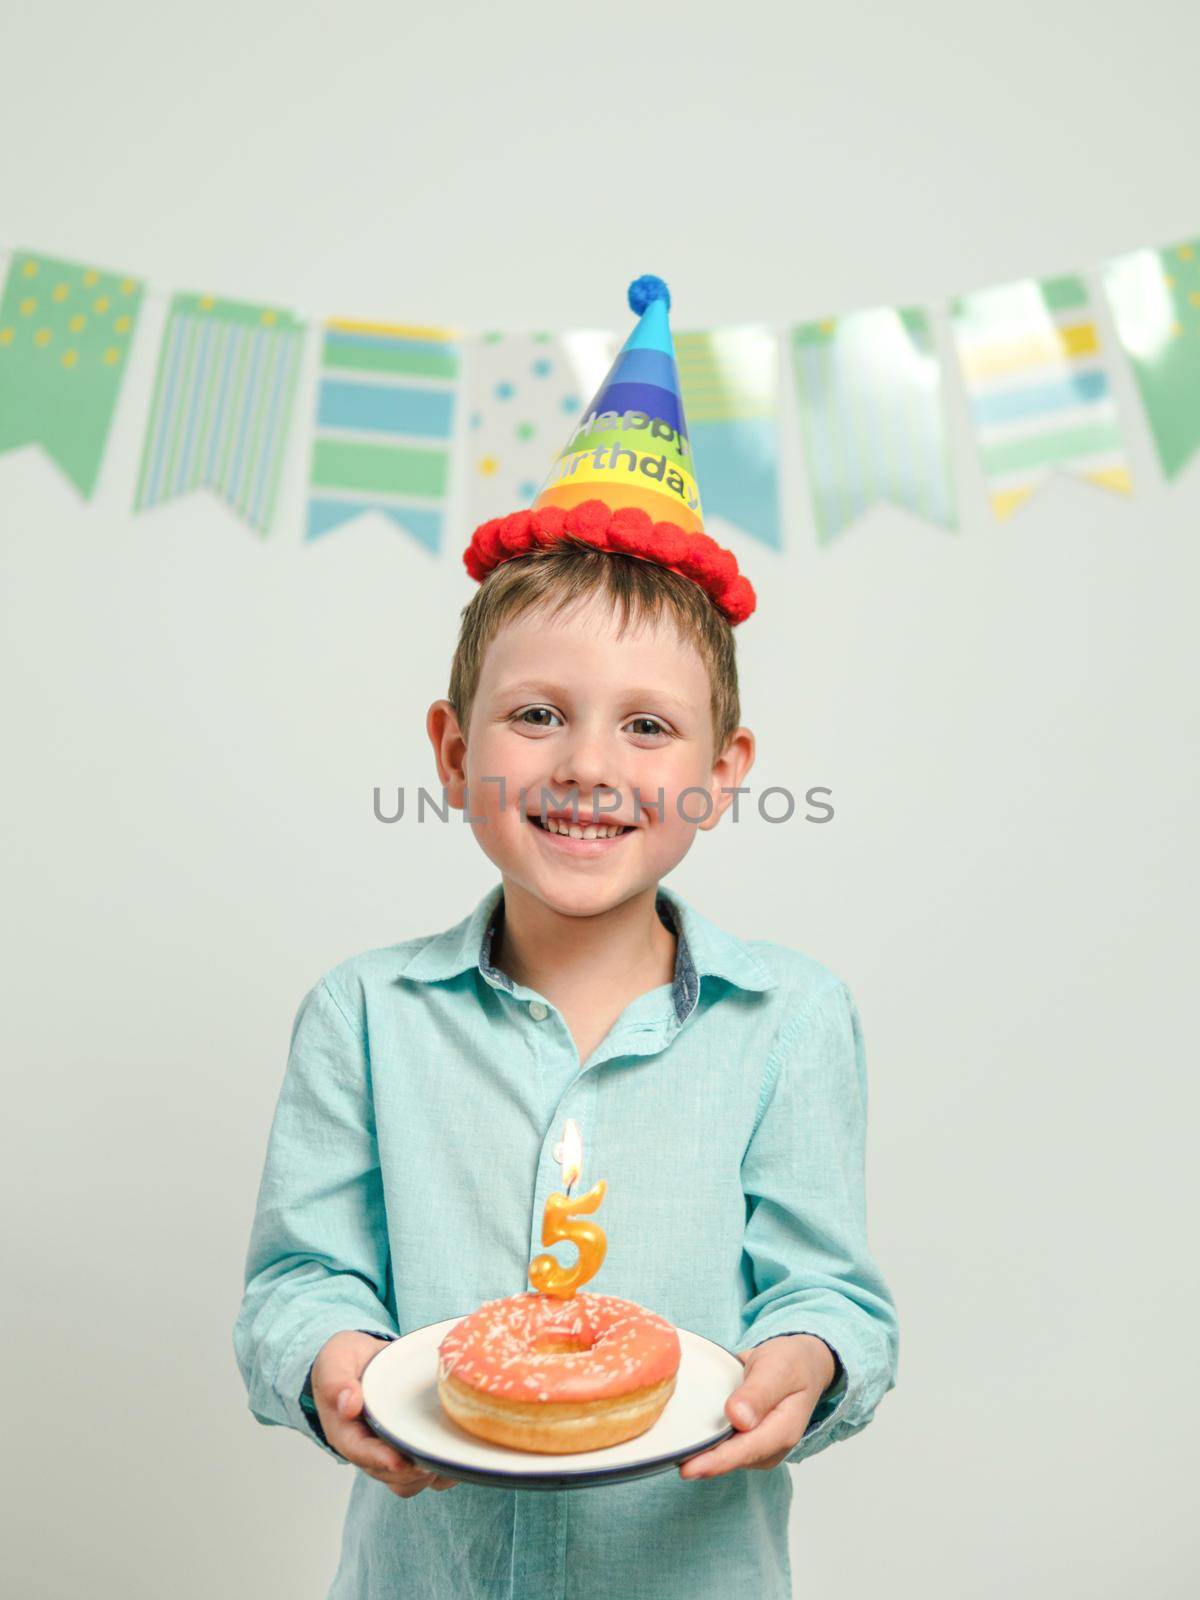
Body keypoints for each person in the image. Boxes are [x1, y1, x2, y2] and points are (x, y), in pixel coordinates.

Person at [232, 276, 899, 1599]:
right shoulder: (362, 1017)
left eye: (648, 727)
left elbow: (832, 1299)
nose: (589, 764)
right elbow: (295, 1284)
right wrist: (336, 1365)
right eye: (536, 715)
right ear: (451, 748)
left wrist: (808, 1365)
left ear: (720, 773)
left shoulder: (795, 1021)